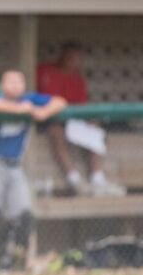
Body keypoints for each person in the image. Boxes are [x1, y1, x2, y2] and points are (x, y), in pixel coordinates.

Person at [0, 70, 66, 270]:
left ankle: (19, 261)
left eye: (19, 82)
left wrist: (43, 112)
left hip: (15, 166)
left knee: (24, 213)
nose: (15, 86)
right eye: (10, 82)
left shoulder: (31, 99)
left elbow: (60, 101)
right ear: (2, 85)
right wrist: (20, 110)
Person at [36, 42, 125, 196]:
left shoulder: (78, 79)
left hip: (71, 119)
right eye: (70, 57)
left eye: (76, 58)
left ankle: (97, 177)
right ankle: (74, 178)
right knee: (56, 130)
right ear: (62, 55)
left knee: (95, 126)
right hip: (46, 118)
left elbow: (81, 106)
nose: (73, 61)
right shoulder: (44, 70)